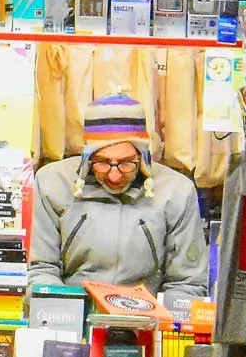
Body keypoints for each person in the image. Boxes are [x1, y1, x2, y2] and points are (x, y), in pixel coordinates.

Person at [29, 93, 208, 295]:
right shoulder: (52, 183)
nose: (114, 176)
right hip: (72, 309)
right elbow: (41, 269)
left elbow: (187, 283)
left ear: (143, 156)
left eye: (126, 163)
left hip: (147, 317)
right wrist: (63, 311)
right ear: (86, 156)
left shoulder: (176, 191)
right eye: (102, 162)